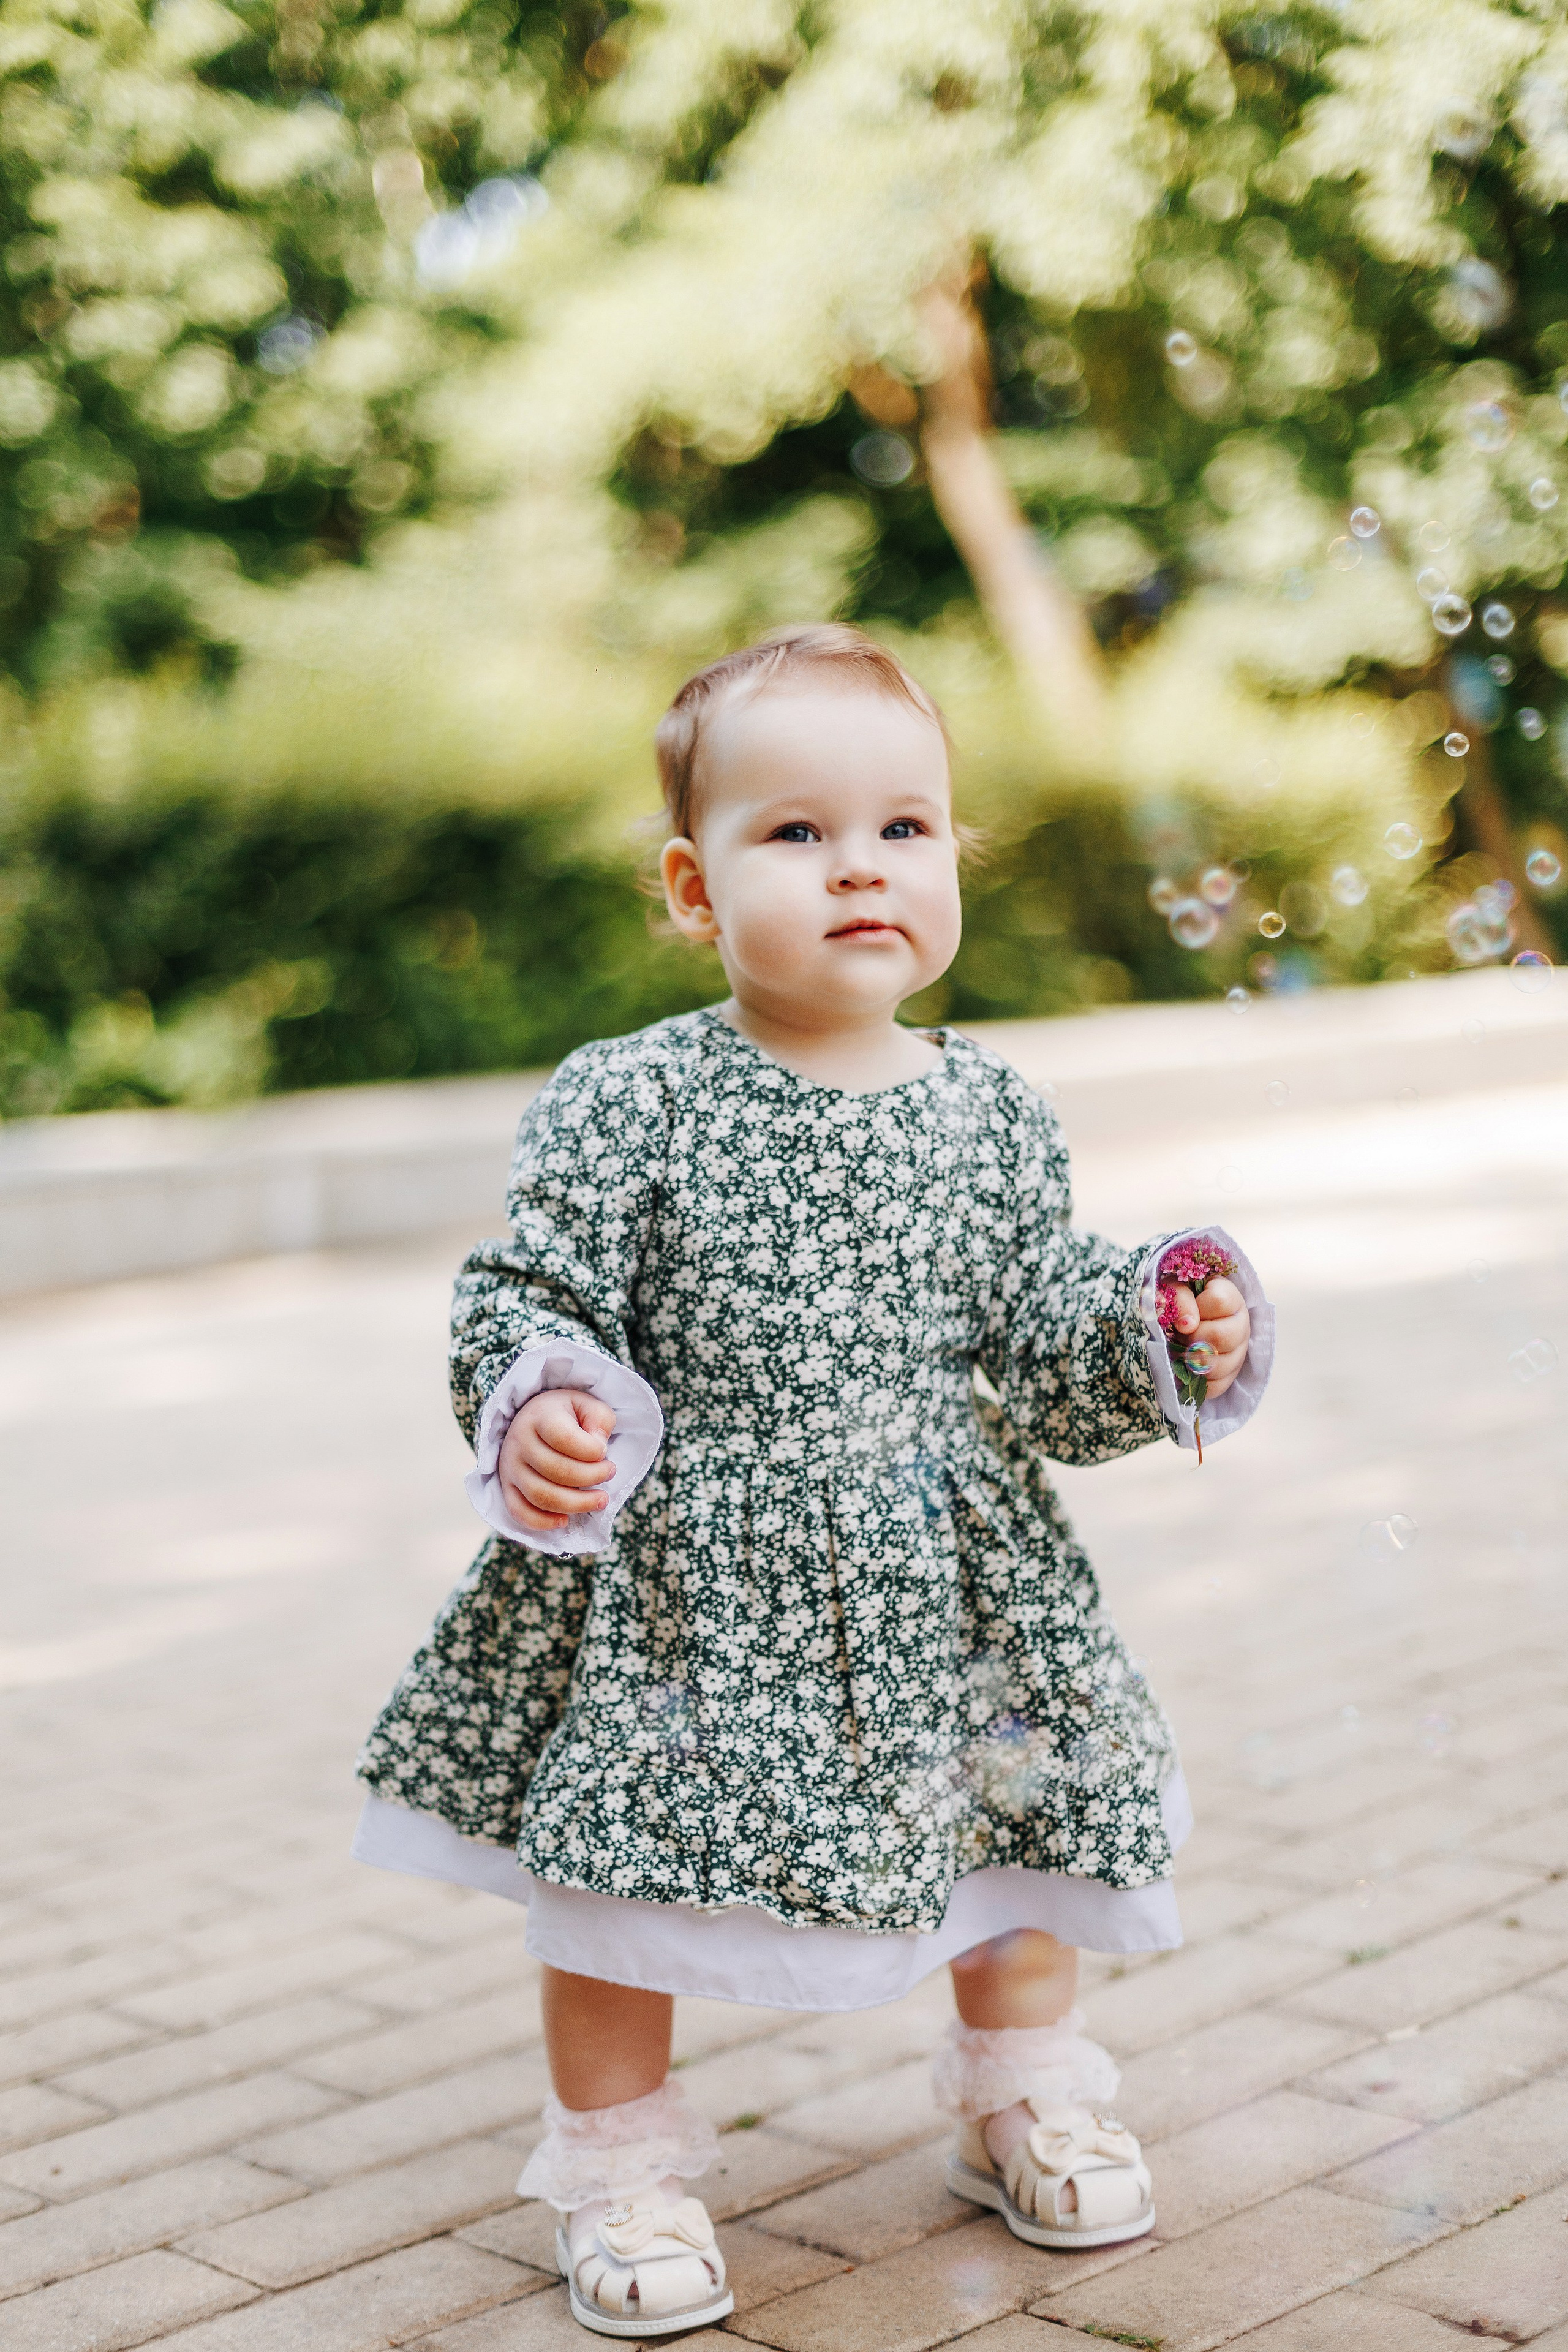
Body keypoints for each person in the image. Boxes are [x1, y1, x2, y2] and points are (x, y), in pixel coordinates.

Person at [354, 623, 1272, 2337]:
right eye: (796, 833)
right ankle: (619, 2162)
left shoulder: (993, 1112)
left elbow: (1038, 1320)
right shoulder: (626, 1102)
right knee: (620, 1858)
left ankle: (1022, 2090)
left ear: (951, 860)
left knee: (1018, 1813)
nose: (861, 865)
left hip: (954, 1558)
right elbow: (528, 1288)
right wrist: (547, 1394)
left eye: (905, 828)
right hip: (696, 1571)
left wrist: (1154, 1329)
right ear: (693, 893)